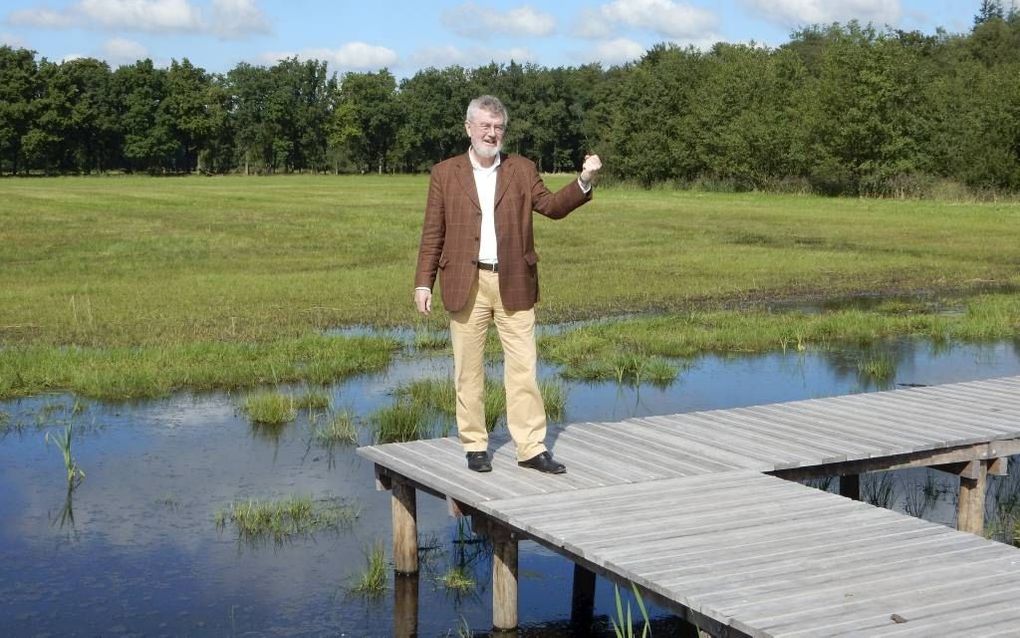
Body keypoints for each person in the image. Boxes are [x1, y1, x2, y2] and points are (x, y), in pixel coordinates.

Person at [413, 95, 602, 474]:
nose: (492, 133)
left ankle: (531, 448)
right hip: (466, 281)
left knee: (523, 369)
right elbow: (433, 232)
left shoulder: (522, 169)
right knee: (468, 370)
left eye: (498, 127)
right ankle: (475, 444)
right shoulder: (445, 173)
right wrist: (423, 283)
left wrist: (583, 181)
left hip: (515, 280)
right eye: (485, 125)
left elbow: (550, 207)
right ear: (468, 128)